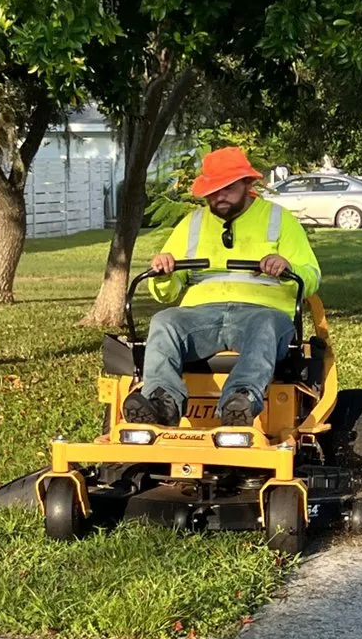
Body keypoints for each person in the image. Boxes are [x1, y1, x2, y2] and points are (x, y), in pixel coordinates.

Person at [123, 147, 322, 428]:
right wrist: (164, 271)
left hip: (262, 313)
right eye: (213, 190)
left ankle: (240, 400)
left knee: (265, 323)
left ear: (247, 184)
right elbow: (166, 292)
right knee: (164, 321)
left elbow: (311, 278)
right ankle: (161, 402)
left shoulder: (279, 220)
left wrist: (286, 267)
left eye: (227, 188)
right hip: (200, 316)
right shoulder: (192, 224)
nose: (219, 196)